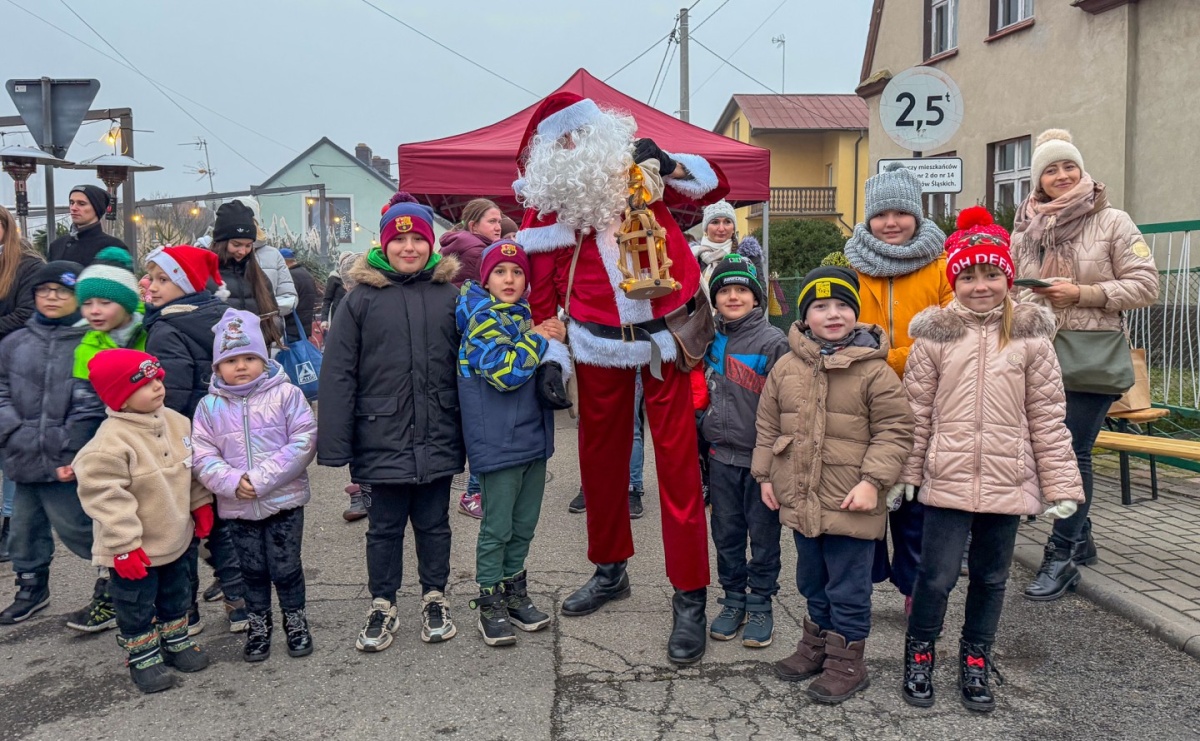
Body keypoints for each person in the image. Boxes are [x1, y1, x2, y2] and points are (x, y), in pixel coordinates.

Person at [516, 92, 727, 664]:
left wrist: (671, 160)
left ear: (601, 135)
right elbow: (539, 287)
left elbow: (715, 188)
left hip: (665, 339)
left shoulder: (643, 174)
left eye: (578, 137)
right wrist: (548, 350)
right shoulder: (550, 207)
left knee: (680, 468)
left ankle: (690, 596)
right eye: (561, 143)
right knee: (599, 463)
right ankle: (610, 570)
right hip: (595, 344)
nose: (573, 149)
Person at [897, 207, 1085, 711]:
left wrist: (1062, 486)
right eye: (968, 276)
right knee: (935, 576)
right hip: (948, 478)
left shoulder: (1031, 337)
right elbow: (916, 412)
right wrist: (907, 473)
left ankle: (976, 657)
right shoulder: (935, 336)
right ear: (954, 280)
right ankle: (920, 653)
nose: (980, 286)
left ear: (1006, 276)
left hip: (1008, 479)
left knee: (991, 577)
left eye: (991, 274)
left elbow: (1047, 417)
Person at [1012, 130, 1160, 601]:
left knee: (1071, 452)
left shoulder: (1112, 221)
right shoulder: (1026, 228)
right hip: (1037, 354)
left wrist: (1082, 293)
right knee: (1046, 450)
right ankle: (1082, 535)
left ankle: (1063, 556)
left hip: (1090, 355)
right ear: (1038, 180)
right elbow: (1010, 288)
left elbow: (1146, 285)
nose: (1061, 176)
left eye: (1067, 167)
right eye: (1050, 170)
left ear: (1081, 170)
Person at [755, 266, 913, 704]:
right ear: (805, 316)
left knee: (848, 585)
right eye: (821, 306)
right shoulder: (787, 367)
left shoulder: (874, 372)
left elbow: (895, 431)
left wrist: (872, 482)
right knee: (812, 578)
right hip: (803, 498)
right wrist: (765, 474)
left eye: (842, 305)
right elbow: (768, 424)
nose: (833, 313)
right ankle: (818, 646)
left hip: (851, 501)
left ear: (856, 313)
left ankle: (848, 662)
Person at [319, 192, 464, 653]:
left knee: (434, 523)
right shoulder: (360, 299)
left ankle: (434, 595)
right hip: (379, 433)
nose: (408, 247)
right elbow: (338, 373)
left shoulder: (449, 295)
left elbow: (467, 364)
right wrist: (337, 444)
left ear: (431, 245)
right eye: (399, 239)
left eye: (417, 239)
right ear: (384, 245)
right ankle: (382, 601)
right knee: (383, 527)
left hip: (438, 428)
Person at [844, 163, 951, 615]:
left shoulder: (941, 267)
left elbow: (952, 329)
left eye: (901, 213)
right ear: (868, 219)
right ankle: (861, 585)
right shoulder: (851, 267)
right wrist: (902, 350)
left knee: (914, 505)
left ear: (917, 215)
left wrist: (888, 354)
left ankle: (914, 589)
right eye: (881, 214)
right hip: (861, 401)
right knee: (863, 497)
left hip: (925, 403)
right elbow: (841, 329)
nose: (891, 223)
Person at [73, 349, 214, 693]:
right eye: (143, 383)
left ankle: (175, 639)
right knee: (135, 602)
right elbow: (104, 497)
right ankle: (142, 654)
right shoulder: (109, 443)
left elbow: (190, 470)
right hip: (133, 547)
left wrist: (200, 504)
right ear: (120, 397)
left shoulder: (177, 422)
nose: (156, 387)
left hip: (175, 535)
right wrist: (124, 545)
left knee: (177, 592)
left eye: (156, 378)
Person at [192, 309, 317, 662]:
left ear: (263, 358)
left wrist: (260, 479)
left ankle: (296, 620)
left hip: (284, 501)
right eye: (231, 360)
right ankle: (258, 625)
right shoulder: (208, 406)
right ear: (218, 367)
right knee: (252, 570)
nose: (241, 366)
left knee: (286, 566)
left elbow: (304, 439)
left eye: (250, 357)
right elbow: (201, 453)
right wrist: (232, 482)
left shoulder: (286, 395)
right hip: (237, 505)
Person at [456, 240, 562, 646]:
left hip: (532, 438)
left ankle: (515, 592)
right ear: (486, 278)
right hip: (497, 442)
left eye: (517, 272)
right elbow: (504, 373)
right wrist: (539, 338)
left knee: (523, 525)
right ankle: (489, 601)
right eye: (500, 271)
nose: (510, 279)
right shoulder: (482, 320)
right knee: (497, 527)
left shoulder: (524, 316)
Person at [142, 245, 245, 635]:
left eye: (163, 279)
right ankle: (240, 602)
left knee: (183, 528)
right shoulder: (224, 318)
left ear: (185, 283)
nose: (152, 286)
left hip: (186, 443)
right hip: (226, 438)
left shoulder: (167, 328)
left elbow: (172, 395)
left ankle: (183, 612)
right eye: (152, 277)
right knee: (222, 525)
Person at [0, 261, 109, 628]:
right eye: (44, 290)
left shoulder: (90, 342)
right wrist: (12, 431)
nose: (51, 297)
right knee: (23, 530)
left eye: (62, 291)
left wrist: (72, 444)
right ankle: (31, 588)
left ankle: (113, 583)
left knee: (80, 528)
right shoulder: (14, 343)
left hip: (69, 459)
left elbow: (92, 402)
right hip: (22, 454)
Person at [700, 255, 788, 648]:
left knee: (764, 537)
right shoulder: (707, 339)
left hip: (761, 463)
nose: (733, 296)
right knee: (727, 534)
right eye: (724, 290)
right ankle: (733, 599)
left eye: (741, 290)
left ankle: (761, 604)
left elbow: (787, 407)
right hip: (720, 458)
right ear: (714, 298)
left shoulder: (774, 343)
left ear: (756, 297)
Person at [440, 198, 504, 519]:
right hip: (478, 344)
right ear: (473, 224)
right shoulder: (477, 252)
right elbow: (506, 292)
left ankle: (477, 489)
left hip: (461, 344)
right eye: (492, 221)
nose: (498, 227)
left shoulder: (462, 245)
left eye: (499, 221)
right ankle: (474, 492)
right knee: (483, 422)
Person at [0, 207, 44, 563]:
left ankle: (13, 522)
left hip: (17, 367)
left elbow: (26, 314)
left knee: (12, 446)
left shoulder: (26, 265)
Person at [211, 201, 296, 350]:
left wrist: (264, 336)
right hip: (217, 359)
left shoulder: (259, 277)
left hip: (256, 359)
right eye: (236, 245)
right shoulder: (204, 276)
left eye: (248, 245)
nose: (242, 251)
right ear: (221, 243)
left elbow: (273, 316)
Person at [73, 247, 148, 378]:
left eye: (105, 302)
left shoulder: (151, 337)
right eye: (86, 304)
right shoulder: (85, 349)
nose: (94, 311)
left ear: (127, 304)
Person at [692, 199, 765, 300]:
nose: (721, 228)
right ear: (705, 228)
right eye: (715, 222)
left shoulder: (748, 256)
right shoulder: (691, 257)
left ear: (734, 228)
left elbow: (761, 297)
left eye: (727, 222)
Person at [47, 185, 131, 265]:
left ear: (97, 208)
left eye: (81, 204)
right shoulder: (57, 246)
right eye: (71, 202)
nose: (73, 208)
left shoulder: (113, 247)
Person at [281, 248, 317, 343]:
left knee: (292, 355)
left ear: (283, 261)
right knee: (301, 355)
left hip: (292, 326)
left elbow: (287, 302)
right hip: (304, 325)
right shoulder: (307, 274)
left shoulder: (290, 276)